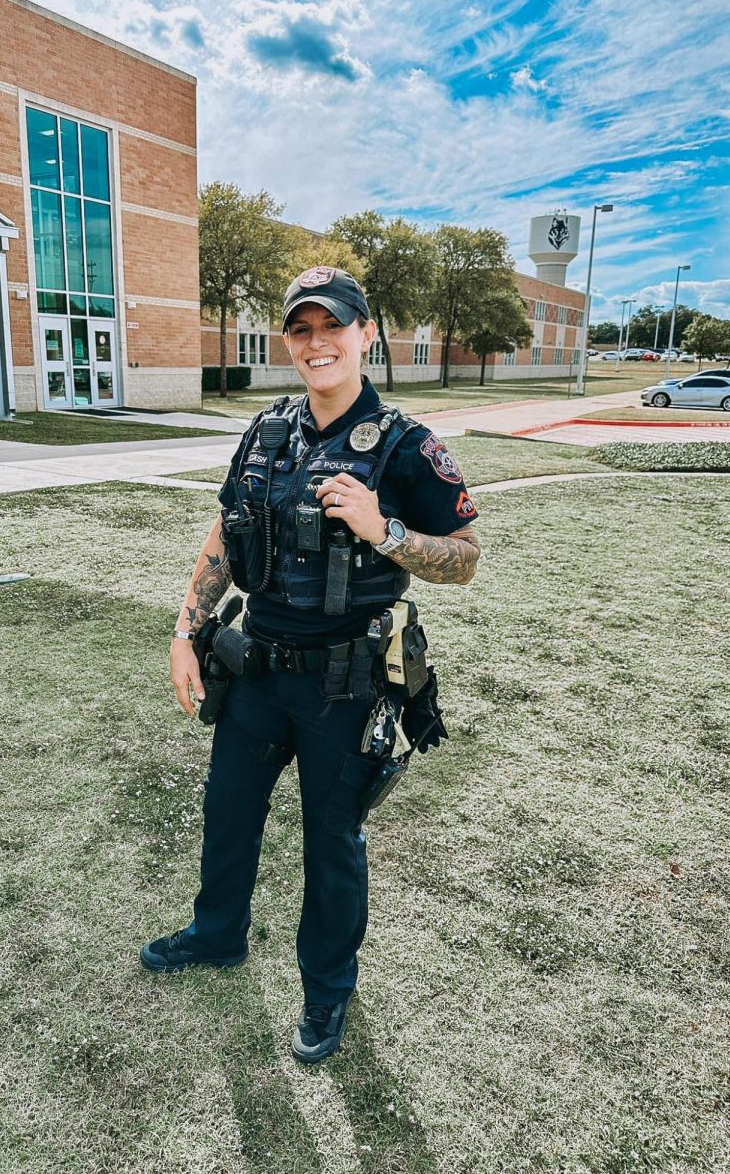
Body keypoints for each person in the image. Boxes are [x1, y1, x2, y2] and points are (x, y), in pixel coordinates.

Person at [141, 266, 480, 1064]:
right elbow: (227, 533)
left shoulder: (407, 447)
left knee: (332, 846)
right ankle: (217, 933)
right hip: (256, 666)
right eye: (302, 328)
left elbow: (466, 558)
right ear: (289, 341)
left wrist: (384, 531)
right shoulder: (266, 431)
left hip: (346, 685)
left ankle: (327, 993)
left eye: (336, 325)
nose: (318, 342)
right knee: (228, 813)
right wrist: (186, 630)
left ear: (367, 335)